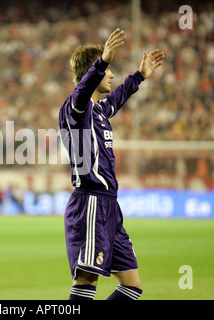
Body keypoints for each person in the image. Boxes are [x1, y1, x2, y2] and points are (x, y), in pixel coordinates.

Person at [59, 28, 165, 300]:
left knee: (132, 286)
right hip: (91, 202)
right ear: (93, 71)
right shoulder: (75, 108)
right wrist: (102, 61)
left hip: (109, 206)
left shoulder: (99, 110)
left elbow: (116, 99)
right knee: (86, 283)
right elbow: (82, 91)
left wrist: (139, 75)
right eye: (108, 70)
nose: (111, 74)